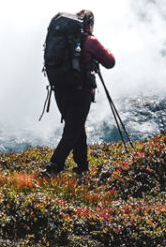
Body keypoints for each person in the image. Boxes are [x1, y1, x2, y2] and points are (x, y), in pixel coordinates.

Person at [44, 9, 115, 177]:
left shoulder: (62, 38)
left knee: (76, 128)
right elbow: (110, 62)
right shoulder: (90, 41)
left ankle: (82, 167)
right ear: (90, 24)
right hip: (80, 92)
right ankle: (53, 167)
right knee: (72, 131)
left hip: (60, 90)